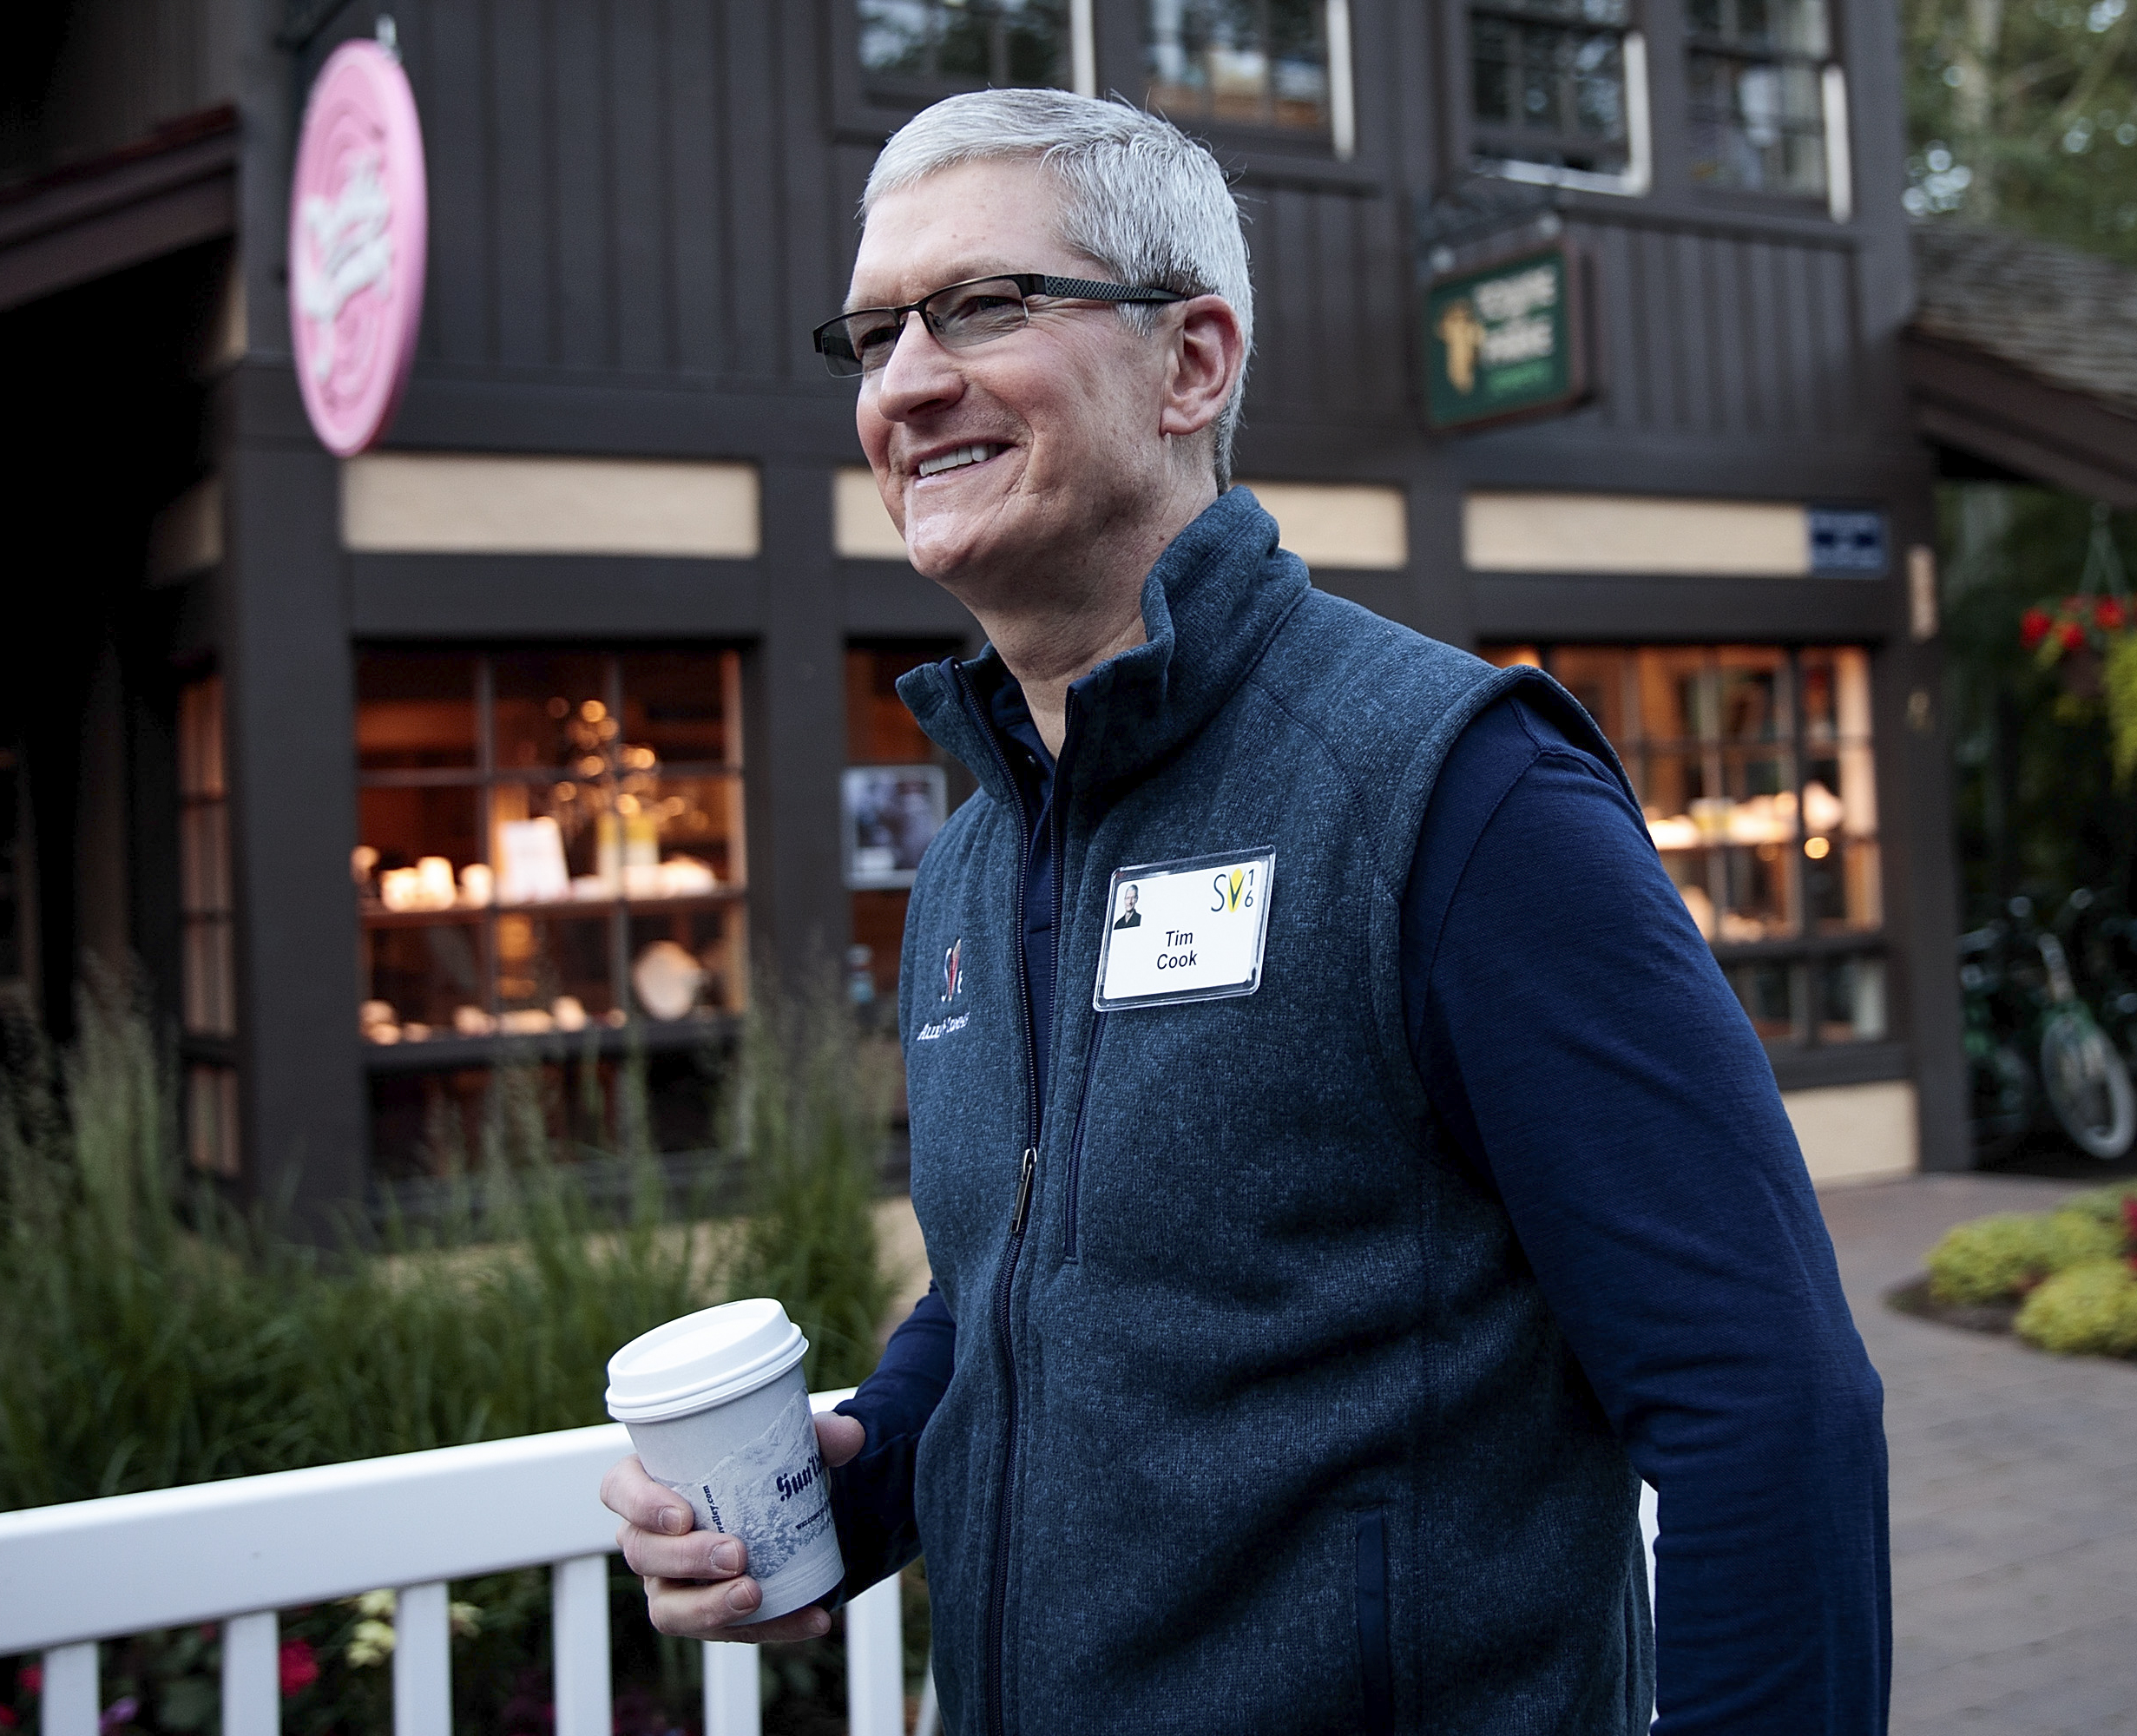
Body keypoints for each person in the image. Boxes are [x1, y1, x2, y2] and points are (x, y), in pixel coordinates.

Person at [602, 89, 1889, 1734]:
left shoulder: (1458, 794)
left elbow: (1764, 1405)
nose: (908, 383)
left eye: (985, 306)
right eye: (870, 336)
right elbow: (1022, 1274)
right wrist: (852, 1489)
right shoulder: (977, 862)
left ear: (1192, 362)